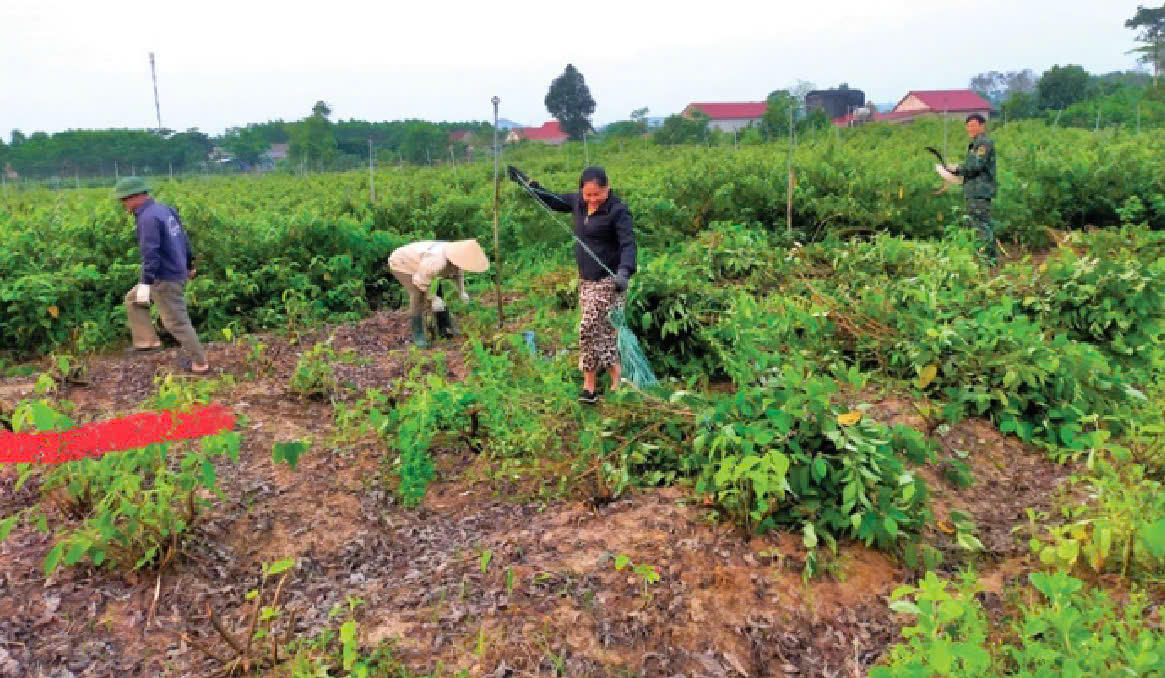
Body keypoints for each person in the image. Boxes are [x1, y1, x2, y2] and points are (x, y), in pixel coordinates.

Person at [507, 165, 637, 404]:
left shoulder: (618, 211)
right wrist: (528, 185)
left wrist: (624, 272)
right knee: (604, 331)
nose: (592, 199)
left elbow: (628, 244)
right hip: (586, 280)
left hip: (610, 280)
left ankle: (589, 386)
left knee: (587, 328)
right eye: (588, 195)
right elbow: (552, 200)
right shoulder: (577, 202)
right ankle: (617, 378)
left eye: (598, 194)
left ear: (607, 188)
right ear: (581, 191)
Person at [114, 176, 209, 374]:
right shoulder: (164, 209)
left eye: (124, 199)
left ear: (136, 197)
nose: (123, 204)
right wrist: (189, 265)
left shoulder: (147, 218)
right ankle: (146, 342)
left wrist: (146, 283)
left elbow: (151, 255)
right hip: (174, 270)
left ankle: (200, 363)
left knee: (176, 322)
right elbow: (183, 238)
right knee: (133, 300)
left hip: (165, 277)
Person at [388, 239, 489, 348]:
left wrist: (461, 291)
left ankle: (445, 328)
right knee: (417, 294)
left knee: (437, 290)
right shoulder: (437, 262)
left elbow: (458, 273)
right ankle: (418, 335)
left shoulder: (456, 256)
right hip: (402, 262)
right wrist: (433, 298)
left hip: (423, 265)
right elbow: (420, 281)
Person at [948, 113, 999, 265]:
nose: (970, 128)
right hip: (974, 192)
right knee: (980, 224)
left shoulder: (983, 144)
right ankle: (988, 258)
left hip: (979, 192)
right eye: (968, 125)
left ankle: (988, 260)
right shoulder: (976, 144)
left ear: (982, 126)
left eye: (973, 125)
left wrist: (957, 169)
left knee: (981, 225)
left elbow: (975, 166)